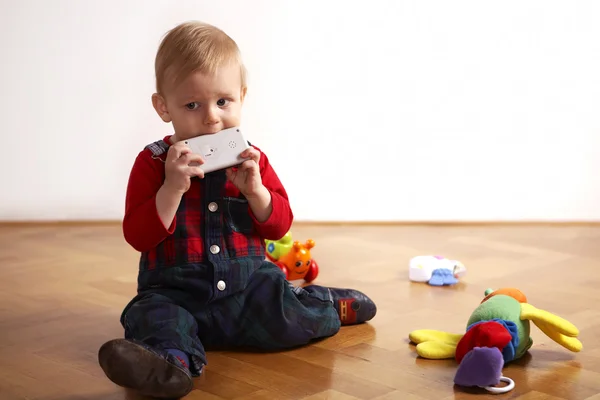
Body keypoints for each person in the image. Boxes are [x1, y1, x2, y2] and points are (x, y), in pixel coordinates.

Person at [98, 20, 377, 399]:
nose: (211, 117)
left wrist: (256, 192)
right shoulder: (153, 163)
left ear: (242, 97)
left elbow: (279, 227)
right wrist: (171, 189)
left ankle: (323, 303)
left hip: (247, 290)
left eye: (223, 102)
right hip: (177, 294)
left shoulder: (251, 161)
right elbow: (138, 236)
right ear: (163, 107)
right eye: (192, 105)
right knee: (150, 317)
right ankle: (170, 364)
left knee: (285, 315)